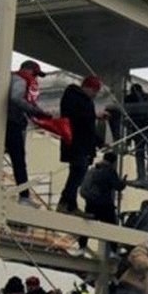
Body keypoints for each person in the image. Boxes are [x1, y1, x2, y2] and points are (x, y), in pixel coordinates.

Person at [0, 60, 54, 204]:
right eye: (35, 74)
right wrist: (38, 112)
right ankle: (24, 195)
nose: (35, 79)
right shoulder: (21, 80)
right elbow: (16, 98)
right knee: (18, 160)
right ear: (29, 71)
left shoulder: (3, 79)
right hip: (11, 123)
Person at [58, 75, 104, 215]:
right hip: (75, 142)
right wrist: (95, 115)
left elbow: (88, 127)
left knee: (78, 173)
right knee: (78, 171)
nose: (95, 95)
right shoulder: (73, 96)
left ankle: (70, 205)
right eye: (94, 91)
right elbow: (76, 118)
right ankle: (65, 202)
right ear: (88, 88)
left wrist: (99, 142)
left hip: (81, 143)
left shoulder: (84, 101)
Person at [79, 152, 127, 253]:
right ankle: (114, 250)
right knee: (111, 227)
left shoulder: (93, 169)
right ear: (113, 161)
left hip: (91, 203)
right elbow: (118, 186)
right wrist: (124, 182)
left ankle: (82, 247)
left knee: (87, 226)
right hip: (105, 204)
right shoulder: (110, 171)